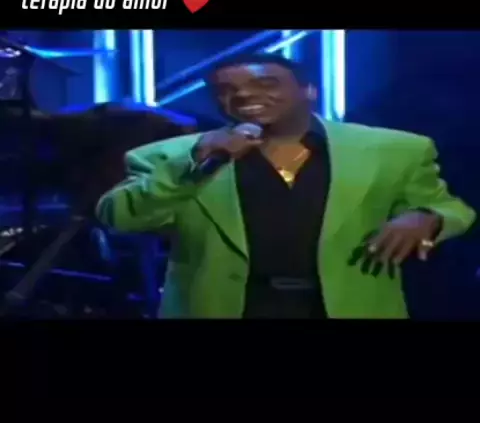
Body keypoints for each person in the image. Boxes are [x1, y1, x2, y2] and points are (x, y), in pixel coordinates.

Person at [96, 54, 476, 319]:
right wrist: (195, 163)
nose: (243, 95)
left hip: (347, 308)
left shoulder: (394, 150)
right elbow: (119, 216)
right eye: (226, 90)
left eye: (265, 83)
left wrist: (426, 218)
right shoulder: (173, 156)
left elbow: (452, 209)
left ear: (309, 90)